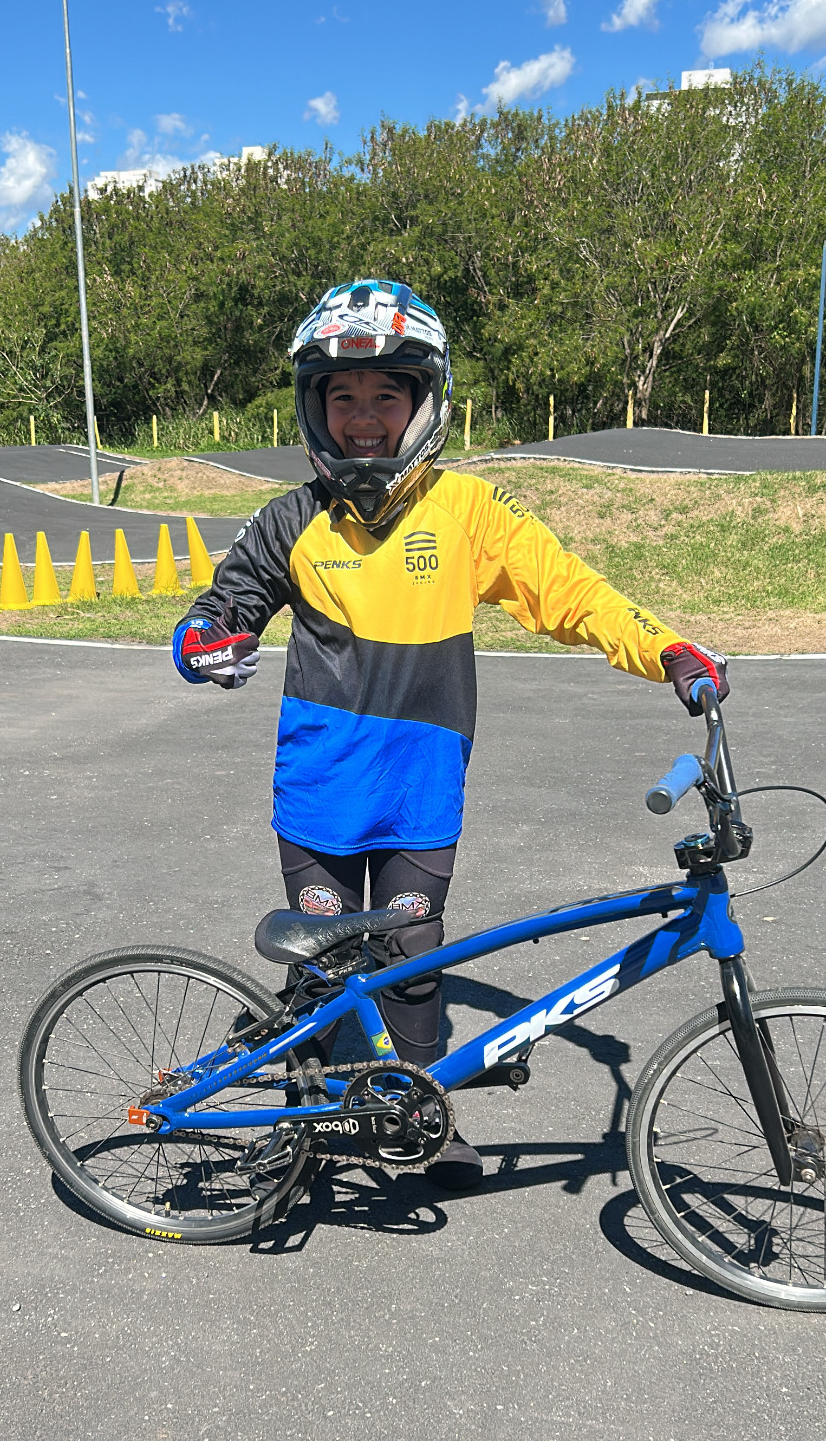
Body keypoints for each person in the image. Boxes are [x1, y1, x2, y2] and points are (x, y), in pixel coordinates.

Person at [172, 279, 727, 1186]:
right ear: (314, 408)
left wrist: (665, 649)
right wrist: (202, 642)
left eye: (385, 396)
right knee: (324, 972)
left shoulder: (467, 513)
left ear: (424, 404)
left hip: (422, 789)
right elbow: (226, 603)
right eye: (342, 398)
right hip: (319, 793)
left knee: (415, 962)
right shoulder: (292, 519)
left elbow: (570, 592)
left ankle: (421, 1108)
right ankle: (305, 1120)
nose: (362, 418)